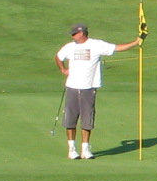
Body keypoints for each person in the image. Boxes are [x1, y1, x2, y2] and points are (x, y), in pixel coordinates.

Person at [55, 22, 142, 159]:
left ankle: (85, 149)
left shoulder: (96, 45)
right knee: (70, 120)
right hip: (72, 87)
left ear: (82, 33)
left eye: (74, 34)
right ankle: (72, 149)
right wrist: (63, 69)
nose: (72, 36)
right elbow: (58, 57)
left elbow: (117, 48)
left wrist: (136, 42)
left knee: (87, 119)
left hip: (89, 89)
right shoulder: (69, 47)